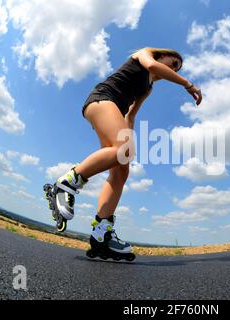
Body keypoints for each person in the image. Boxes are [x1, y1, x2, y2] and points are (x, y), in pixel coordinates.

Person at [44, 47, 202, 261]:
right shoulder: (144, 55)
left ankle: (102, 233)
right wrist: (187, 83)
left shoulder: (148, 88)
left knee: (121, 170)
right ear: (162, 55)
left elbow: (130, 114)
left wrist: (128, 137)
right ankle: (66, 183)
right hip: (102, 99)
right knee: (122, 152)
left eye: (178, 69)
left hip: (115, 112)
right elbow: (153, 66)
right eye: (173, 64)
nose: (174, 69)